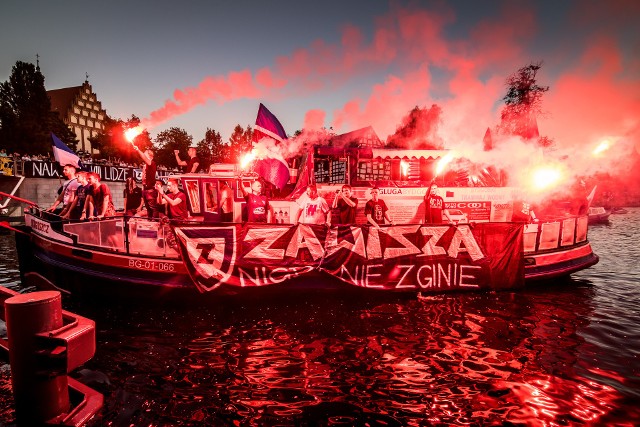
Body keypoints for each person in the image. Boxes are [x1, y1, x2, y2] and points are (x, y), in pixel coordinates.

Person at [133, 146, 158, 219]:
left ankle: (154, 222)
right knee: (148, 209)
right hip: (145, 189)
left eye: (145, 154)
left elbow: (145, 159)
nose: (143, 156)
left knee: (153, 208)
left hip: (150, 189)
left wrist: (138, 150)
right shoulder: (145, 165)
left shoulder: (152, 163)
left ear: (150, 156)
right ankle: (150, 221)